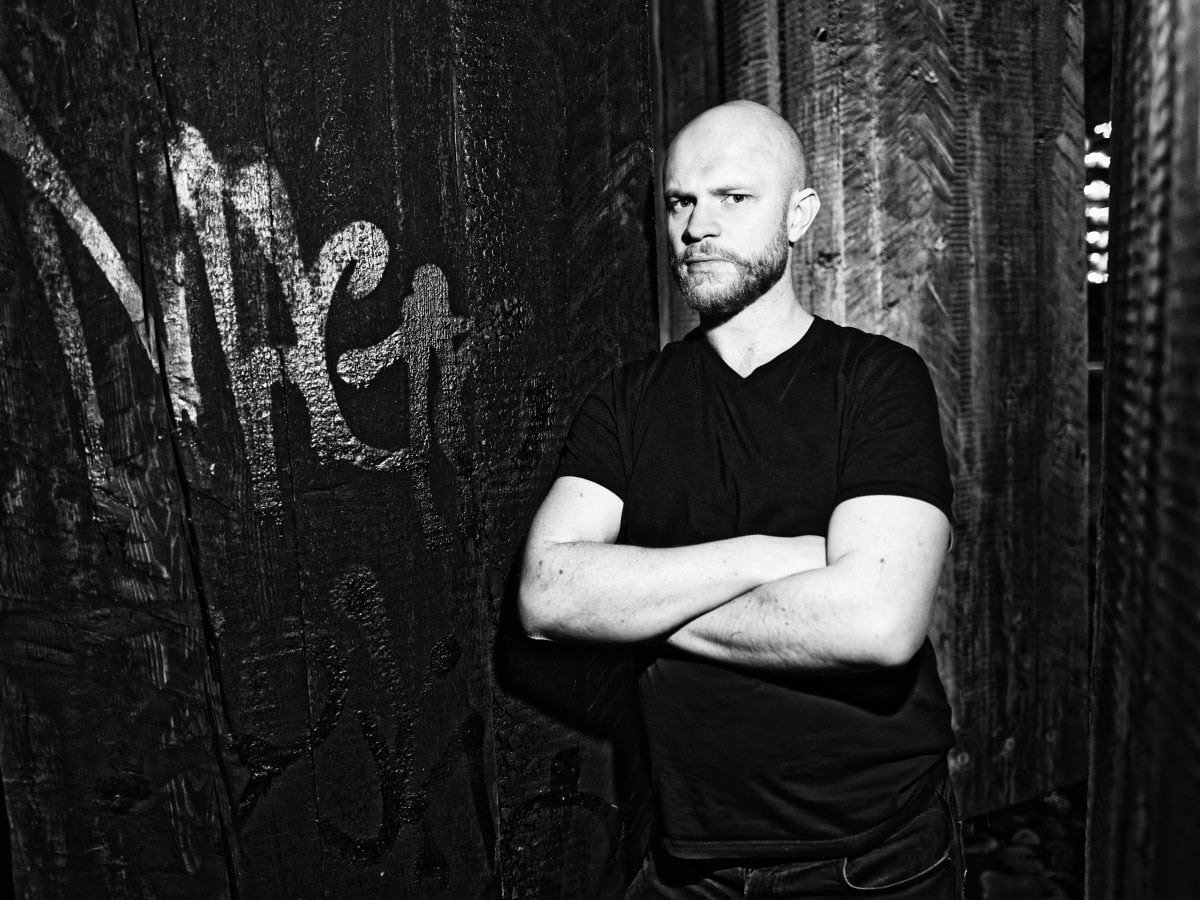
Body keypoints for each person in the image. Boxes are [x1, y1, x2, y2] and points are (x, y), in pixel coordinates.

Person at [517, 100, 964, 898]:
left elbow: (876, 623)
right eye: (680, 202)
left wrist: (634, 607)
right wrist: (769, 557)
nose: (698, 227)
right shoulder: (627, 401)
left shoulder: (877, 380)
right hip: (689, 860)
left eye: (733, 197)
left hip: (873, 856)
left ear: (799, 216)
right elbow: (549, 596)